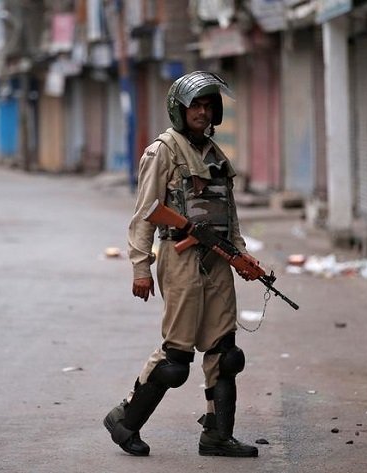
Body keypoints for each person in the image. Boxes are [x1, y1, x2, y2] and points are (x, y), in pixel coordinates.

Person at [103, 70, 260, 458]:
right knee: (175, 360)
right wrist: (141, 267)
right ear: (180, 109)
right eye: (197, 106)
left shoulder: (215, 154)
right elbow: (144, 215)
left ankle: (217, 436)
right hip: (180, 258)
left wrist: (241, 255)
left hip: (218, 261)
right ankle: (123, 419)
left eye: (209, 106)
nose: (203, 113)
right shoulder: (164, 150)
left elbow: (229, 216)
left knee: (227, 354)